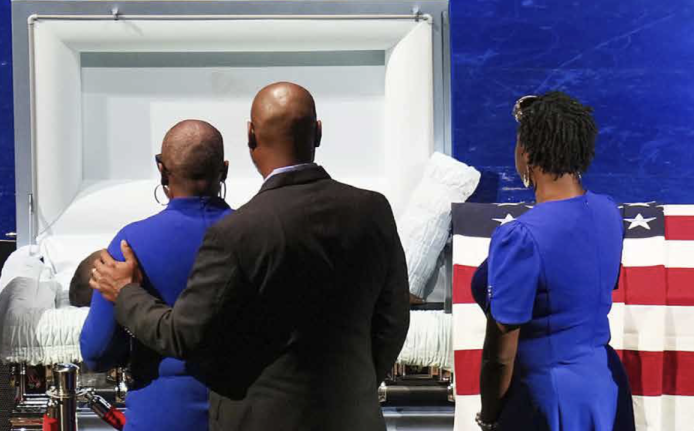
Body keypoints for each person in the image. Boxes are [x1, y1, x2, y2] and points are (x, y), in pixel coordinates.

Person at [90, 82, 410, 431]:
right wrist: (352, 389)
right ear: (317, 132)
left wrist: (126, 292)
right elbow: (393, 322)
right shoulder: (373, 210)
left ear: (250, 136)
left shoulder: (239, 232)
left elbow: (184, 335)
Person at [470, 92, 634, 431]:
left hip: (547, 399)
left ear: (526, 153)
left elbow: (501, 357)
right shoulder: (608, 211)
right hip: (606, 387)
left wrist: (489, 416)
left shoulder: (520, 237)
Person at [80, 120, 234, 431]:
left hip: (161, 415)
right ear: (225, 170)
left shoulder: (131, 243)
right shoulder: (255, 236)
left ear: (162, 169)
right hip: (240, 413)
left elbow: (97, 352)